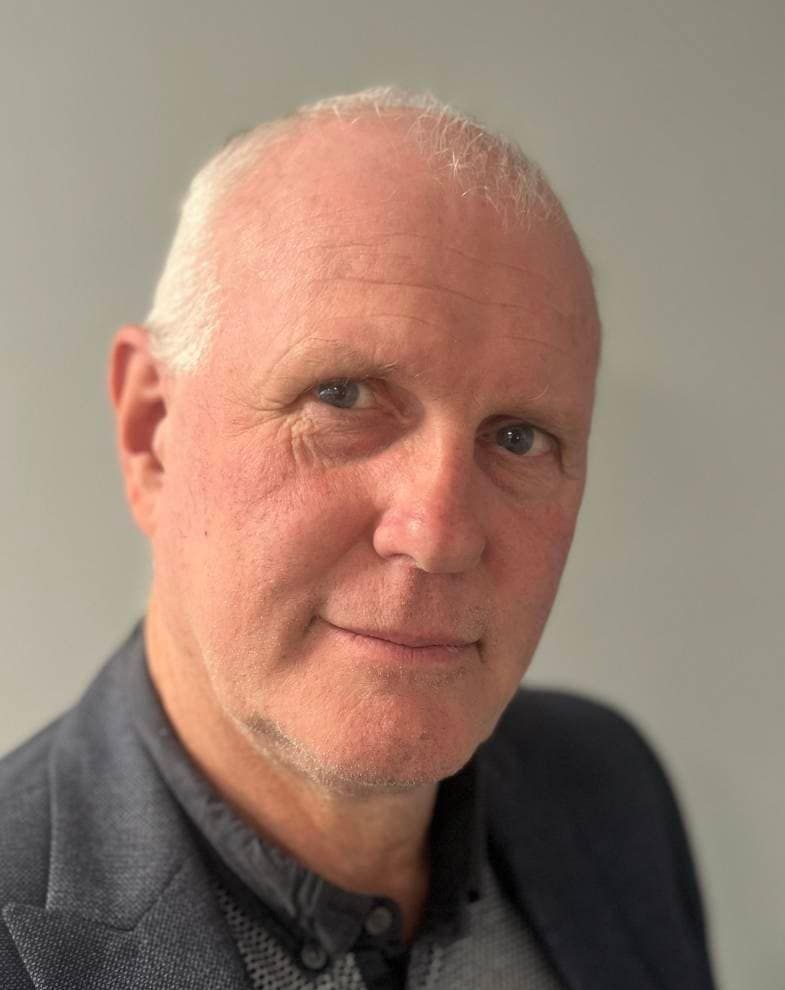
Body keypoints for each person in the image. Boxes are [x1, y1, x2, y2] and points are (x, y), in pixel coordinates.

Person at [0, 87, 715, 989]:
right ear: (153, 433)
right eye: (341, 396)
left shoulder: (608, 787)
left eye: (517, 436)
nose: (438, 535)